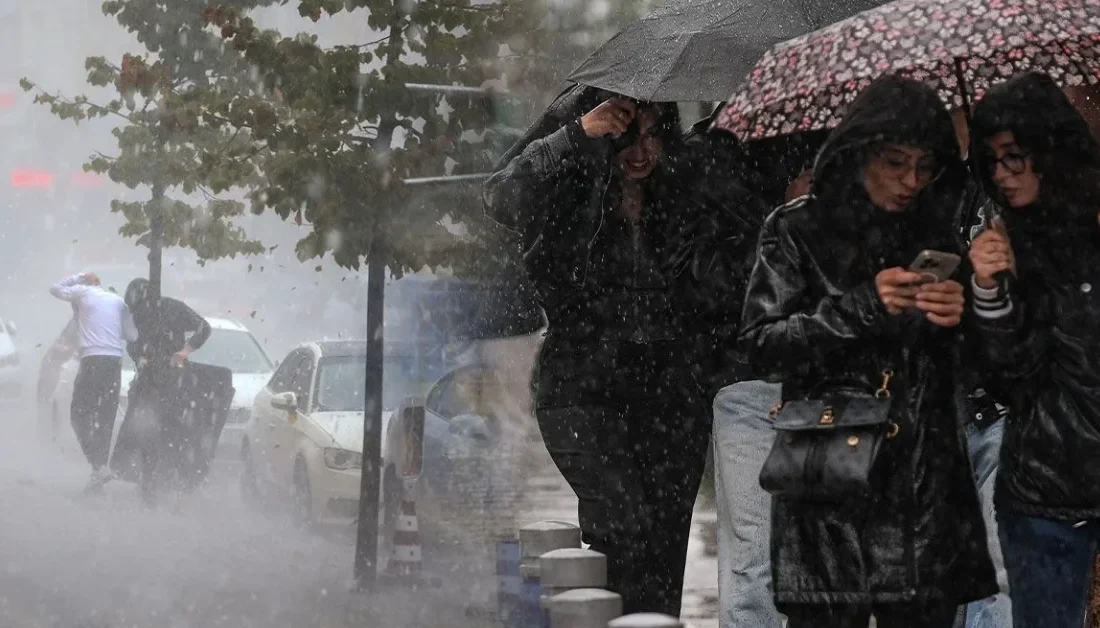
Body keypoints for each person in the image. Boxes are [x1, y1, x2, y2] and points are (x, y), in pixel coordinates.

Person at [739, 75, 996, 627]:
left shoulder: (939, 236)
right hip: (832, 491)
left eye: (925, 167)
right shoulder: (796, 230)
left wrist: (965, 316)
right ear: (858, 155)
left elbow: (979, 367)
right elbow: (761, 344)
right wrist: (862, 307)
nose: (910, 181)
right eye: (895, 163)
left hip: (926, 495)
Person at [483, 85, 708, 615]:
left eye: (652, 133)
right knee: (621, 524)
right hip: (582, 382)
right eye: (625, 135)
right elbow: (500, 196)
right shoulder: (570, 182)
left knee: (665, 534)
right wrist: (578, 135)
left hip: (671, 386)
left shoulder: (682, 188)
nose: (640, 151)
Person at [968, 71, 1100, 628]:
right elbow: (1009, 378)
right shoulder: (1002, 243)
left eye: (1014, 156)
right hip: (1045, 489)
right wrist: (992, 290)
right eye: (991, 161)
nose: (1002, 174)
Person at [113, 278, 220, 506]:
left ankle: (158, 481)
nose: (138, 312)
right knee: (161, 431)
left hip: (166, 381)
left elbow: (204, 328)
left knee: (160, 431)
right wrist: (147, 357)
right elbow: (133, 344)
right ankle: (158, 481)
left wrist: (181, 352)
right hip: (164, 381)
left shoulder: (161, 309)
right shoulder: (163, 309)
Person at [49, 271, 138, 491]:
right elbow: (132, 335)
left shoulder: (83, 291)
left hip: (93, 360)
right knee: (105, 416)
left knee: (78, 413)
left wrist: (79, 277)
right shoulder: (118, 301)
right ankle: (98, 471)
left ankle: (98, 466)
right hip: (114, 362)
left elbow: (55, 288)